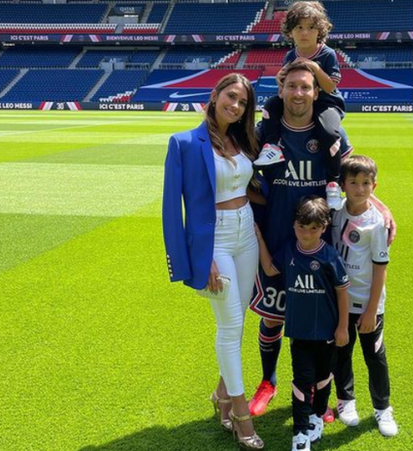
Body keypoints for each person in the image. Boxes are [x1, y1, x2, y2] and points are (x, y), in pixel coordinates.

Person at [247, 61, 397, 419]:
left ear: (316, 92)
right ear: (281, 90)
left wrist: (379, 204)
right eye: (292, 86)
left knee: (322, 323)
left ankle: (318, 394)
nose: (299, 94)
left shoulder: (330, 133)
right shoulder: (263, 132)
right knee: (272, 316)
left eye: (306, 87)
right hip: (277, 235)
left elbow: (355, 180)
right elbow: (239, 177)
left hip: (321, 244)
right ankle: (268, 382)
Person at [162, 73, 264, 450]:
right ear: (215, 94)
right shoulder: (184, 143)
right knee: (230, 324)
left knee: (237, 325)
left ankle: (221, 395)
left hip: (246, 231)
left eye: (242, 102)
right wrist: (196, 259)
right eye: (230, 97)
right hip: (215, 239)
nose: (235, 106)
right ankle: (240, 413)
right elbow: (173, 211)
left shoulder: (242, 139)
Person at [255, 195, 350, 451]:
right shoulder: (288, 250)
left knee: (322, 378)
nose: (306, 234)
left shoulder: (329, 256)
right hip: (299, 333)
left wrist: (342, 327)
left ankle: (317, 416)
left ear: (324, 227)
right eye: (301, 227)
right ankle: (299, 433)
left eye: (314, 228)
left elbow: (343, 292)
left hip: (326, 332)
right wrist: (260, 239)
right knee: (301, 380)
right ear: (293, 224)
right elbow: (270, 268)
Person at [254, 0, 345, 211]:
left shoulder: (327, 54)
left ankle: (332, 182)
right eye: (299, 28)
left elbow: (330, 87)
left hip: (326, 103)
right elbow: (285, 80)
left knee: (330, 132)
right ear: (291, 32)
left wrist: (314, 67)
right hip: (301, 100)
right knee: (271, 105)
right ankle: (272, 146)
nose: (305, 33)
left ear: (320, 31)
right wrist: (280, 79)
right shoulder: (290, 55)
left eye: (311, 28)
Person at [331, 155, 398, 437]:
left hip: (368, 304)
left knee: (375, 357)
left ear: (374, 185)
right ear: (343, 185)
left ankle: (383, 408)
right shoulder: (334, 212)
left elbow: (380, 268)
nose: (360, 188)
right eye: (354, 182)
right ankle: (346, 401)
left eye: (366, 183)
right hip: (339, 303)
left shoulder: (377, 222)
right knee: (341, 353)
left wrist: (371, 310)